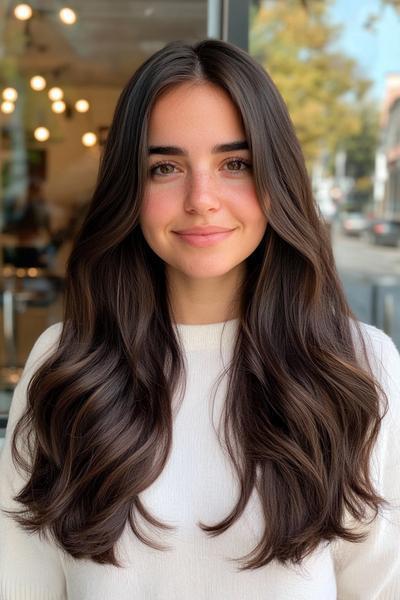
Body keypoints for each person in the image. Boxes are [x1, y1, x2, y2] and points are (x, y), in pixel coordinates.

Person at [0, 39, 399, 599]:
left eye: (235, 164)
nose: (201, 198)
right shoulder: (64, 364)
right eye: (165, 167)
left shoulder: (359, 368)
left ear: (276, 178)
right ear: (130, 189)